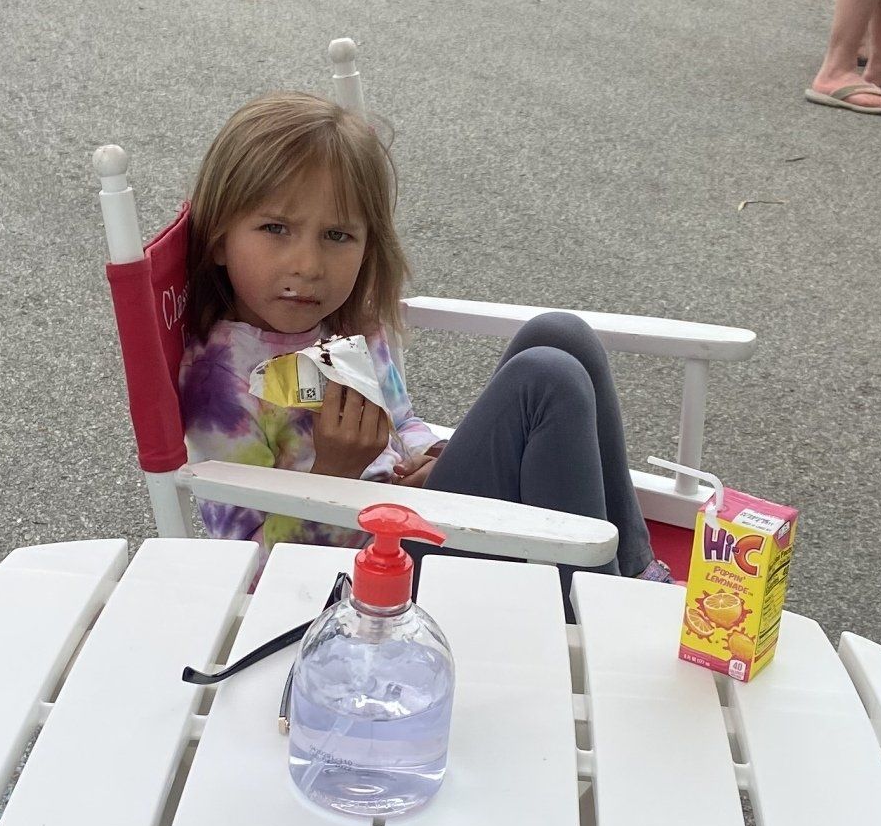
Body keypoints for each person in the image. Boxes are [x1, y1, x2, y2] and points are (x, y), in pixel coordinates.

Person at [177, 91, 665, 577]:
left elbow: (402, 420)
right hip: (367, 581)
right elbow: (253, 570)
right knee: (546, 379)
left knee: (561, 334)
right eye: (275, 228)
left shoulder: (349, 325)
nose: (307, 265)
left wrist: (424, 455)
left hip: (413, 519)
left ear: (369, 245)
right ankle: (593, 603)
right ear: (219, 238)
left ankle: (637, 574)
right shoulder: (219, 383)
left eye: (337, 236)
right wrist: (336, 474)